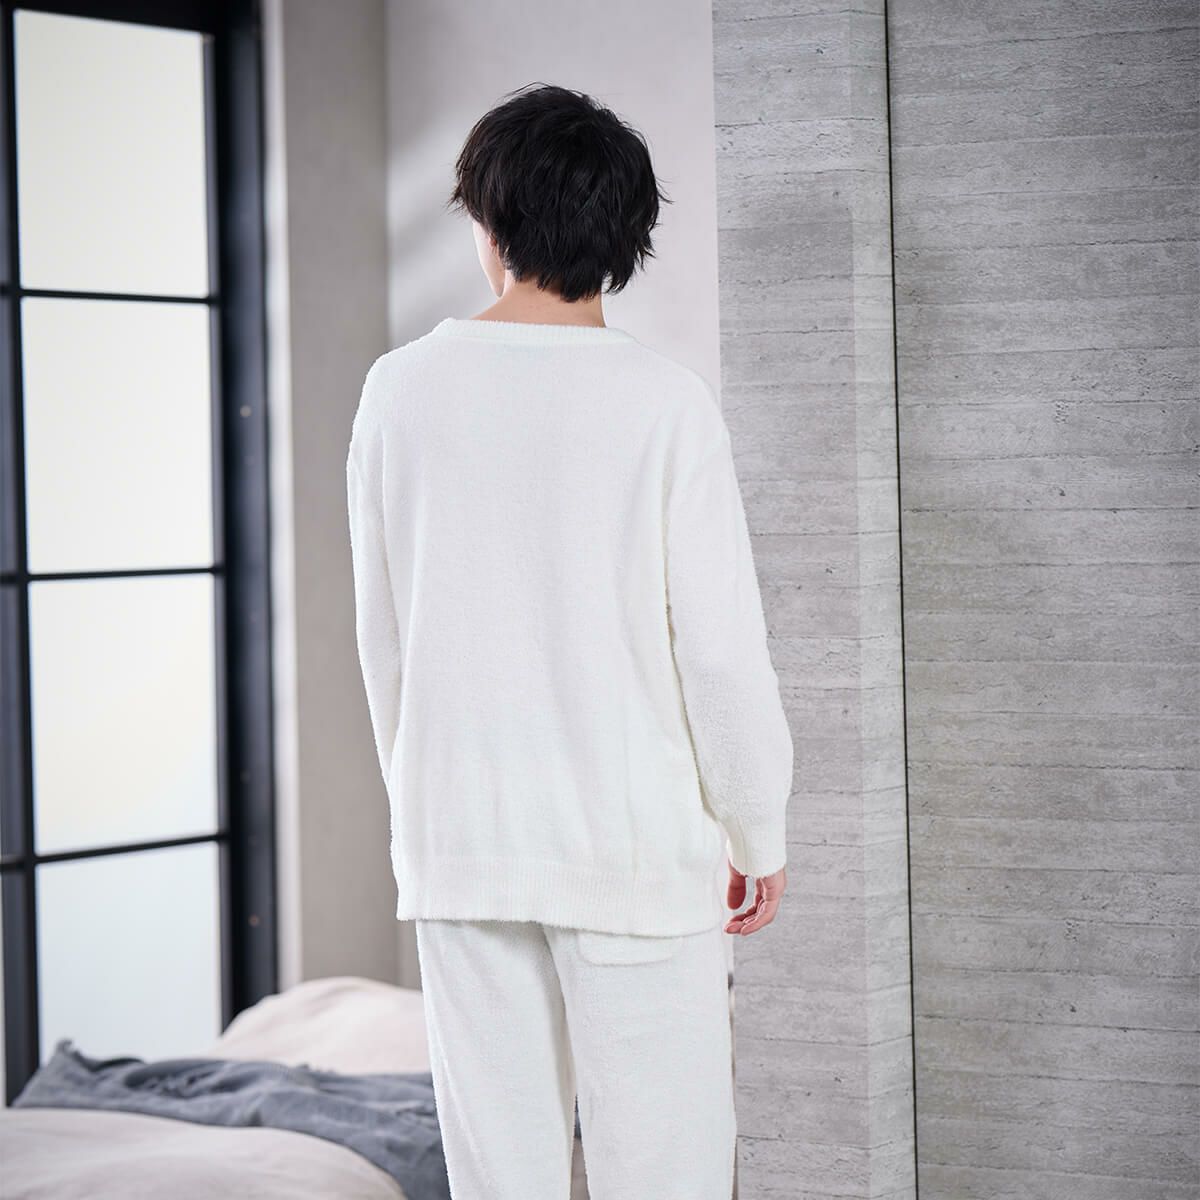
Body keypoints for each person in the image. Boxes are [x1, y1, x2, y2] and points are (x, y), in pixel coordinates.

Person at [346, 82, 793, 1200]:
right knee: (669, 1170)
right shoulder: (666, 405)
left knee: (503, 1178)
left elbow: (385, 644)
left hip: (464, 845)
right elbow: (720, 653)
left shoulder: (398, 394)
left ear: (490, 226)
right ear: (627, 237)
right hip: (634, 853)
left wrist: (425, 812)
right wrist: (757, 826)